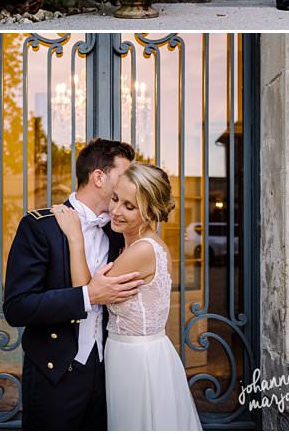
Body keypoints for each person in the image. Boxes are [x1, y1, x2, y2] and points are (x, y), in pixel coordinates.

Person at [2, 139, 144, 430]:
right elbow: (17, 307)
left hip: (107, 371)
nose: (129, 184)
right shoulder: (40, 226)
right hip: (55, 374)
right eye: (124, 176)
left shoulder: (119, 231)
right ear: (99, 177)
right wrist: (87, 296)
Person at [53, 163, 201, 431]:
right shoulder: (134, 245)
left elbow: (87, 290)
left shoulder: (142, 251)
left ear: (151, 211)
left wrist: (75, 238)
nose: (116, 211)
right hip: (131, 353)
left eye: (129, 206)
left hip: (137, 359)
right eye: (115, 199)